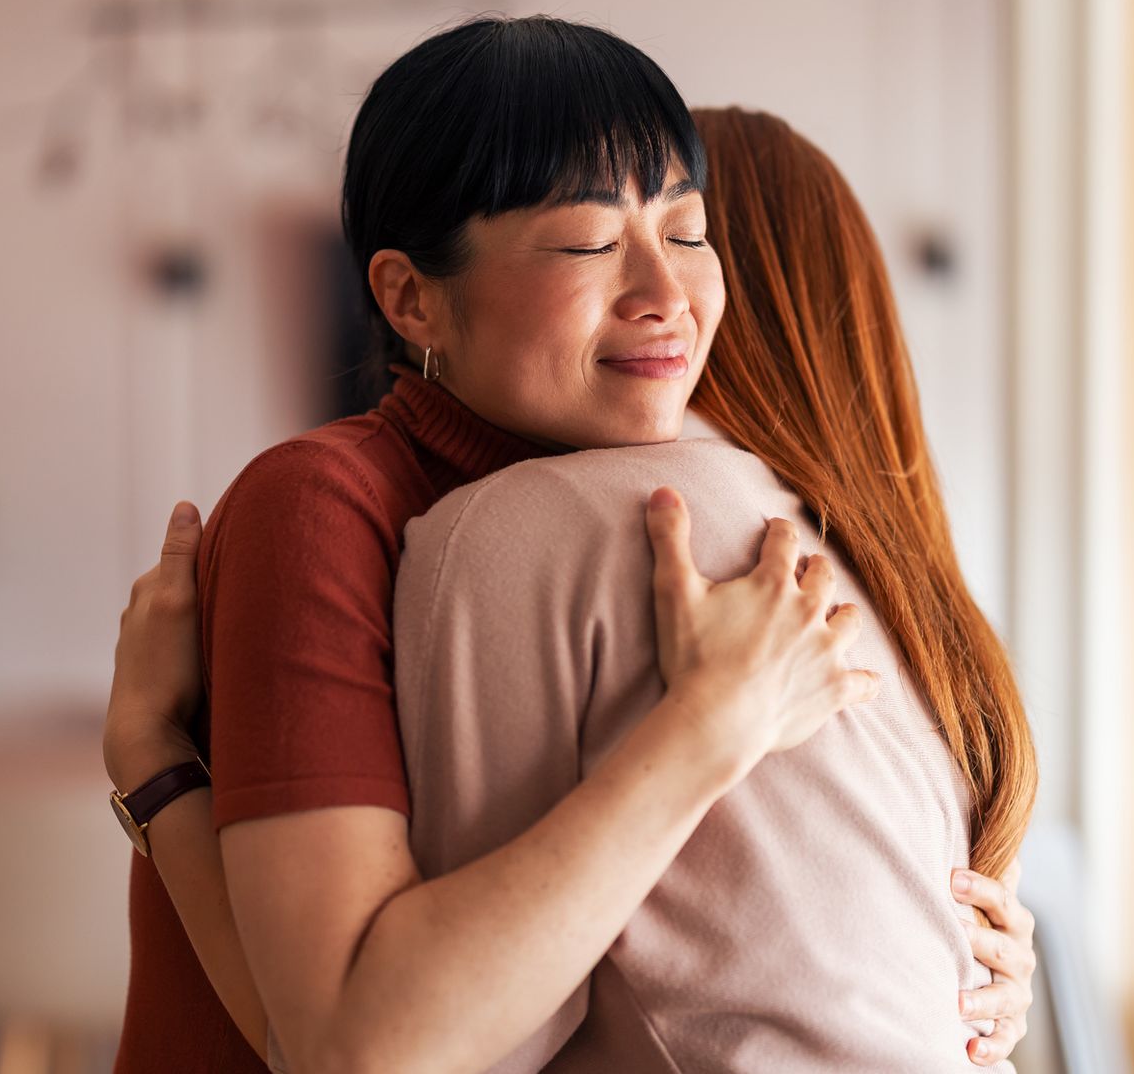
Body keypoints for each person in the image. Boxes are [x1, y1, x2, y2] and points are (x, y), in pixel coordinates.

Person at [105, 16, 1031, 1073]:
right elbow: (344, 1044)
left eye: (687, 232)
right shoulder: (322, 505)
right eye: (590, 243)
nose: (666, 296)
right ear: (411, 298)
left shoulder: (630, 522)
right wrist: (155, 769)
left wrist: (940, 959)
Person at [388, 106, 1037, 1069]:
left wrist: (161, 784)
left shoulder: (526, 528)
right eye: (592, 239)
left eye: (681, 231)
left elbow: (423, 1044)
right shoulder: (905, 590)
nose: (648, 279)